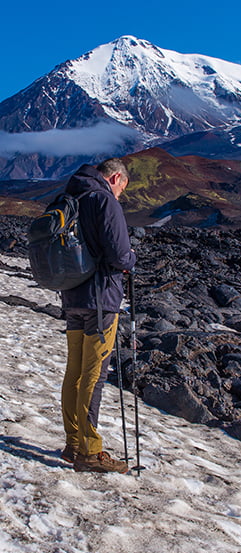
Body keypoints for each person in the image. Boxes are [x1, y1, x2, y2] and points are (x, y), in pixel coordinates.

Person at [60, 157, 136, 473]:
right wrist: (131, 258)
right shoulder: (103, 199)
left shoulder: (70, 195)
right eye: (122, 189)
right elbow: (119, 254)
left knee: (74, 370)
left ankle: (73, 443)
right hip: (100, 300)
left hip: (72, 295)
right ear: (115, 177)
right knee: (94, 373)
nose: (120, 195)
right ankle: (89, 452)